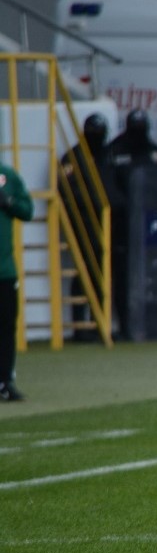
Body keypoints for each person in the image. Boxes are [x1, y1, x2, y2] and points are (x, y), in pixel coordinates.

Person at [108, 109, 157, 340]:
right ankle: (126, 326)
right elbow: (108, 185)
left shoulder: (154, 152)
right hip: (122, 227)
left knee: (156, 275)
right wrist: (125, 208)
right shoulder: (115, 151)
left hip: (153, 227)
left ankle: (154, 325)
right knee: (124, 277)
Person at [59, 112, 112, 342]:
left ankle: (101, 323)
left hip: (108, 224)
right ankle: (81, 326)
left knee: (104, 275)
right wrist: (92, 201)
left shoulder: (108, 155)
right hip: (83, 223)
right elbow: (66, 187)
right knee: (83, 274)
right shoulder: (73, 157)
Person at [0, 160, 33, 401]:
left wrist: (8, 202)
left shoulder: (6, 175)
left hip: (4, 270)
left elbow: (27, 210)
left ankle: (4, 382)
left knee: (6, 328)